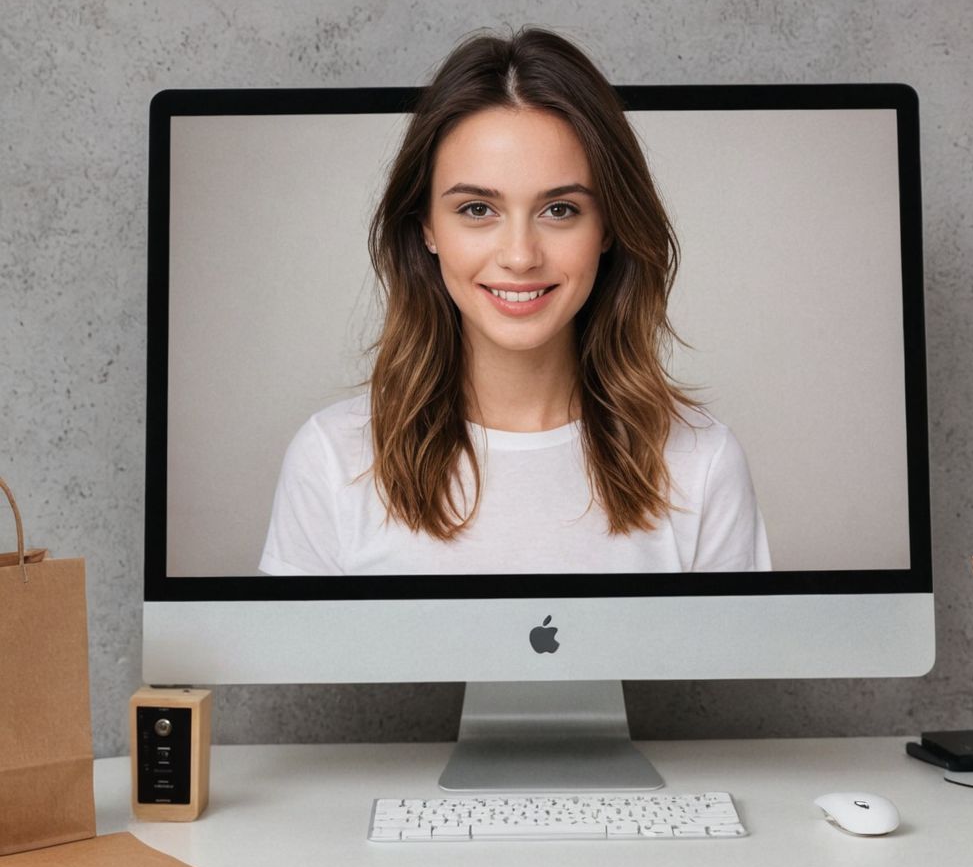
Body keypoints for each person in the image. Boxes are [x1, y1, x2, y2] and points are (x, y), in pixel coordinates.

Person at [260, 28, 770, 576]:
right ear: (426, 226)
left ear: (609, 227)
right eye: (478, 209)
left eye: (560, 210)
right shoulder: (332, 458)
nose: (521, 257)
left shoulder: (702, 462)